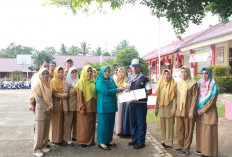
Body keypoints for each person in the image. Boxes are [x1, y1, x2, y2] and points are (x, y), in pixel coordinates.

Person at [95, 65, 125, 150]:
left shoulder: (111, 79)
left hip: (111, 105)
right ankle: (101, 142)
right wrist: (118, 89)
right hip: (103, 106)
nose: (107, 73)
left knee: (110, 124)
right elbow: (105, 92)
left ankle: (108, 140)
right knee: (103, 125)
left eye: (108, 71)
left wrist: (123, 88)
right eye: (105, 71)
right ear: (101, 72)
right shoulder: (99, 81)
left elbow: (116, 87)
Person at [127, 59, 152, 149]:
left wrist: (140, 95)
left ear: (139, 67)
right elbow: (127, 90)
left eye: (136, 66)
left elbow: (149, 91)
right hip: (132, 103)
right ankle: (135, 138)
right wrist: (127, 99)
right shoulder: (129, 78)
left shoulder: (144, 78)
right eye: (133, 66)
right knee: (133, 121)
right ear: (131, 67)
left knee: (141, 122)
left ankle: (141, 141)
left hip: (141, 103)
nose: (135, 68)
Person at [195, 67, 220, 157]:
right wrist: (197, 109)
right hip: (199, 112)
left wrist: (202, 110)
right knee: (201, 131)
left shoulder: (213, 85)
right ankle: (201, 149)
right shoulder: (199, 84)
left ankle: (209, 152)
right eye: (202, 73)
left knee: (209, 132)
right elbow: (195, 98)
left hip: (209, 112)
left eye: (206, 73)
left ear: (209, 74)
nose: (204, 75)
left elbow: (212, 101)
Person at [175, 66, 198, 156]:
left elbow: (195, 98)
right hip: (179, 110)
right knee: (179, 129)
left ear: (188, 73)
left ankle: (187, 148)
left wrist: (192, 111)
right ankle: (181, 146)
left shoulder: (193, 83)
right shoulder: (179, 83)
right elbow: (177, 97)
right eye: (182, 72)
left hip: (188, 111)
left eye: (185, 72)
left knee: (188, 130)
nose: (183, 74)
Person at [155, 69, 177, 149]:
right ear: (162, 76)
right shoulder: (160, 84)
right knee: (163, 126)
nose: (166, 76)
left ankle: (169, 142)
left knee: (169, 126)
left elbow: (175, 99)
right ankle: (164, 140)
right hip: (162, 108)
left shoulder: (173, 85)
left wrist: (174, 110)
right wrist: (156, 109)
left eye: (168, 74)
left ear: (170, 75)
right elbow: (158, 98)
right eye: (164, 74)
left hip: (169, 109)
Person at [76, 65, 97, 148]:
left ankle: (90, 141)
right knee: (83, 125)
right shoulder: (81, 82)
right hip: (85, 106)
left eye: (90, 71)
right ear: (84, 72)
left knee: (91, 124)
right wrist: (82, 107)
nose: (89, 73)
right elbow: (79, 97)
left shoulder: (92, 81)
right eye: (87, 71)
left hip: (92, 106)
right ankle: (83, 141)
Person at [33, 68, 52, 157]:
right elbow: (38, 99)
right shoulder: (37, 86)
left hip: (48, 111)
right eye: (43, 74)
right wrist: (46, 108)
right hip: (41, 111)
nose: (45, 76)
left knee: (46, 130)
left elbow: (51, 98)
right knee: (39, 132)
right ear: (40, 75)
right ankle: (37, 149)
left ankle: (44, 146)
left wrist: (50, 106)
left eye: (46, 74)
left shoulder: (49, 85)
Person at [49, 67, 67, 146]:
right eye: (59, 72)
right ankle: (55, 140)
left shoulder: (63, 81)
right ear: (56, 73)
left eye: (62, 72)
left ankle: (60, 139)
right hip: (56, 105)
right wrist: (62, 95)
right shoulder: (53, 81)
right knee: (56, 123)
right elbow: (53, 93)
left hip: (62, 104)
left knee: (61, 123)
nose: (60, 74)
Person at [63, 67, 79, 146]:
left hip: (77, 107)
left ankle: (75, 136)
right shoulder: (67, 82)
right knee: (68, 123)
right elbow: (64, 96)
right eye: (72, 72)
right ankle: (67, 138)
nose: (74, 74)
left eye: (75, 72)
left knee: (76, 123)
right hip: (69, 107)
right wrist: (65, 108)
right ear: (69, 73)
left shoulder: (78, 81)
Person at [114, 67, 127, 135]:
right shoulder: (115, 80)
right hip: (116, 99)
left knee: (121, 115)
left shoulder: (126, 80)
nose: (121, 73)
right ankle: (116, 129)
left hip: (123, 100)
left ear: (124, 73)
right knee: (116, 115)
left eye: (122, 72)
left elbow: (125, 89)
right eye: (120, 72)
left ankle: (121, 130)